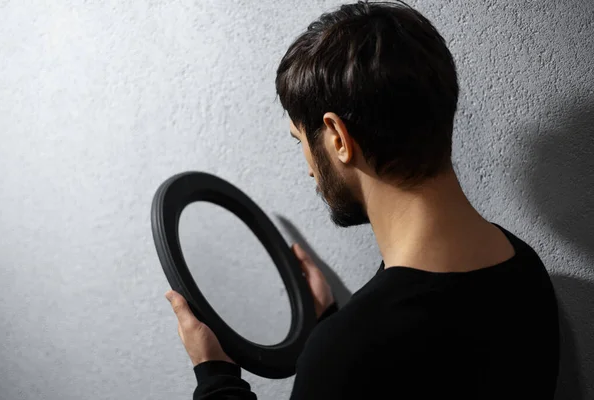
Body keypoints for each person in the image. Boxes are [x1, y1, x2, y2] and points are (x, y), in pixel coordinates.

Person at [165, 1, 560, 398]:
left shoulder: (348, 351)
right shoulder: (525, 269)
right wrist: (331, 321)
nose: (308, 169)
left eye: (300, 141)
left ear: (337, 137)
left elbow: (376, 357)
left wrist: (216, 375)